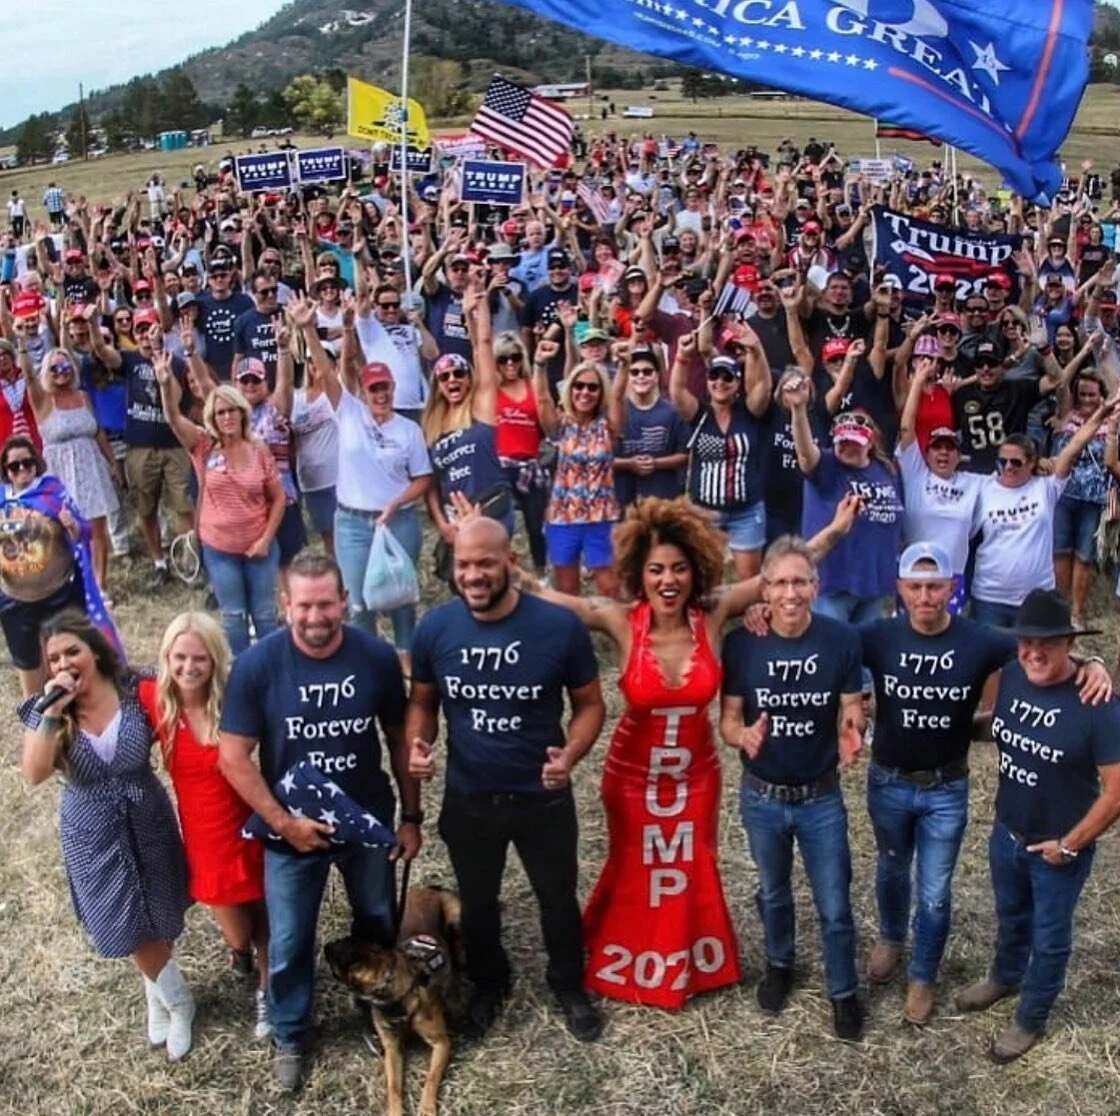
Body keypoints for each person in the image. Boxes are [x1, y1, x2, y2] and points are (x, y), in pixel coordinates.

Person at [514, 493, 859, 1010]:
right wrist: (512, 571)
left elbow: (785, 573)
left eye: (678, 569)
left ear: (696, 570)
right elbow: (564, 602)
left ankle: (685, 961)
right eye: (656, 570)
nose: (668, 581)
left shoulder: (713, 613)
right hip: (632, 775)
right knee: (636, 865)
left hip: (696, 773)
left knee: (690, 864)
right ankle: (632, 956)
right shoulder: (619, 619)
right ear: (639, 571)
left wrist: (834, 530)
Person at [857, 543, 1112, 1025]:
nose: (926, 596)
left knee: (935, 890)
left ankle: (924, 977)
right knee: (892, 868)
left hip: (947, 790)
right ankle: (892, 937)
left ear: (953, 588)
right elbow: (826, 642)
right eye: (916, 586)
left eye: (936, 586)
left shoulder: (982, 640)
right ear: (901, 589)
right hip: (889, 780)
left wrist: (1094, 661)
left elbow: (1052, 650)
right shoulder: (878, 636)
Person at [218, 551, 421, 1091]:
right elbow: (232, 756)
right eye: (304, 605)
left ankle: (374, 1007)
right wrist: (284, 824)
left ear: (344, 602)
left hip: (366, 823)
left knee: (377, 920)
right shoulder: (258, 665)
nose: (316, 617)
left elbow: (400, 739)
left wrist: (411, 815)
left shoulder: (376, 657)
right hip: (292, 835)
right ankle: (290, 1032)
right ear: (285, 606)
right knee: (288, 942)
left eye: (326, 604)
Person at [407, 514, 607, 1041]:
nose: (473, 574)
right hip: (470, 796)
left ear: (511, 563)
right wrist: (418, 741)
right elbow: (423, 703)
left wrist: (571, 754)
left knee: (558, 898)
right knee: (477, 903)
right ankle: (490, 984)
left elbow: (590, 705)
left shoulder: (558, 627)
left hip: (541, 798)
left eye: (485, 564)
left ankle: (568, 983)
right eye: (464, 564)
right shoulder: (436, 628)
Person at [19, 610, 194, 1059]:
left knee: (159, 912)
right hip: (92, 833)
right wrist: (53, 713)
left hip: (148, 817)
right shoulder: (46, 709)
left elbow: (184, 695)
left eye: (71, 652)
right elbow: (34, 774)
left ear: (94, 651)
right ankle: (179, 1001)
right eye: (53, 659)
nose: (63, 665)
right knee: (123, 922)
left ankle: (156, 993)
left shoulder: (134, 689)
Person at [956, 590, 1120, 1063]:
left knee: (1049, 938)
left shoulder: (1098, 702)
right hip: (1007, 832)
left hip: (1057, 850)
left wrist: (1069, 846)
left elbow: (1115, 791)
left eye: (1046, 643)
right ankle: (1004, 977)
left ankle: (1030, 1018)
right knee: (1011, 916)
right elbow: (1001, 726)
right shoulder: (1012, 674)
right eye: (1025, 642)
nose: (1033, 652)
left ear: (1069, 643)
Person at [720, 536, 867, 1041]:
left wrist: (853, 731)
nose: (790, 593)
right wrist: (742, 736)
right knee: (774, 892)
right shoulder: (742, 642)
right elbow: (728, 719)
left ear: (815, 585)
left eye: (799, 581)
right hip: (762, 795)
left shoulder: (841, 639)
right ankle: (780, 965)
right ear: (765, 587)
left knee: (835, 904)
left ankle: (843, 990)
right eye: (780, 582)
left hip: (820, 796)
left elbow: (852, 705)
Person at [139, 611, 270, 1039]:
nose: (188, 668)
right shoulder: (156, 701)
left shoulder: (234, 700)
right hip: (204, 839)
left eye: (199, 659)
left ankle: (269, 992)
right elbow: (107, 675)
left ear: (215, 661)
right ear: (166, 658)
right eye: (179, 658)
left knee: (266, 915)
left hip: (249, 825)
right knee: (237, 931)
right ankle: (242, 953)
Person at [298, 300, 432, 670]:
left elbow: (423, 478)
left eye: (385, 387)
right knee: (357, 599)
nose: (380, 395)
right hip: (353, 523)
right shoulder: (350, 413)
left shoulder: (409, 430)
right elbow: (326, 376)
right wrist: (309, 330)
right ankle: (368, 659)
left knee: (402, 594)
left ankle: (406, 656)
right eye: (373, 388)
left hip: (397, 521)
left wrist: (395, 504)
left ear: (393, 387)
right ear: (364, 389)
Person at [155, 363, 285, 655]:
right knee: (234, 617)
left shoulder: (259, 449)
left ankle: (271, 671)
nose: (226, 417)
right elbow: (173, 418)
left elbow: (277, 498)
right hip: (220, 549)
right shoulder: (204, 446)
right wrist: (165, 386)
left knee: (265, 615)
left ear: (242, 412)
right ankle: (241, 671)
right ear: (212, 417)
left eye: (231, 410)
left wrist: (265, 540)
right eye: (220, 412)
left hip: (259, 547)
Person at [971, 396, 1116, 627]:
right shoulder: (981, 487)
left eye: (1016, 462)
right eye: (1003, 461)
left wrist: (1103, 412)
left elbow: (1075, 445)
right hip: (989, 599)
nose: (1008, 467)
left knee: (1034, 662)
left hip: (1036, 598)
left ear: (1032, 463)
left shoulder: (1046, 487)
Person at [0, 435, 118, 696]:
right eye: (14, 466)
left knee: (66, 663)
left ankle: (72, 722)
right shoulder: (0, 498)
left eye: (27, 463)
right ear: (6, 471)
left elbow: (83, 534)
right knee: (29, 669)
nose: (22, 470)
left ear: (36, 463)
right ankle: (38, 726)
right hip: (15, 602)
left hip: (57, 596)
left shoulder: (52, 492)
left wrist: (72, 526)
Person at [668, 328, 772, 579]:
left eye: (728, 378)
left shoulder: (749, 413)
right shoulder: (699, 414)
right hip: (704, 510)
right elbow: (677, 392)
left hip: (746, 511)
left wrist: (757, 348)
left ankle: (749, 619)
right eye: (714, 376)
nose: (720, 383)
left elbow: (764, 387)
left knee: (749, 583)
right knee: (704, 579)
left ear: (737, 383)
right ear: (706, 380)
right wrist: (682, 356)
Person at [20, 346, 120, 593]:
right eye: (54, 368)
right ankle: (72, 582)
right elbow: (29, 375)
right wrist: (19, 343)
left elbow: (97, 432)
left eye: (65, 366)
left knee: (98, 529)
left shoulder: (83, 397)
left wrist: (113, 462)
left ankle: (100, 585)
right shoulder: (42, 399)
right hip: (59, 471)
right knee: (63, 530)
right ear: (46, 372)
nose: (61, 372)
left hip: (90, 467)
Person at [533, 343, 623, 597]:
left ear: (600, 391)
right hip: (564, 516)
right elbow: (541, 399)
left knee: (609, 587)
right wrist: (539, 364)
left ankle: (613, 632)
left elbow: (617, 397)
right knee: (568, 588)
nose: (585, 392)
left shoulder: (608, 426)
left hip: (601, 517)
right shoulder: (561, 425)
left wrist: (625, 365)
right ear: (570, 390)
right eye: (579, 386)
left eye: (592, 387)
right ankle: (575, 635)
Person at [896, 363, 984, 612]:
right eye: (937, 447)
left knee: (949, 640)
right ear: (926, 452)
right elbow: (906, 427)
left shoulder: (974, 483)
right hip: (914, 575)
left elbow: (1012, 478)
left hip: (952, 579)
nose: (943, 452)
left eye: (950, 447)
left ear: (959, 455)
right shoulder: (916, 473)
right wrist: (917, 382)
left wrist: (1041, 465)